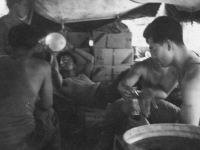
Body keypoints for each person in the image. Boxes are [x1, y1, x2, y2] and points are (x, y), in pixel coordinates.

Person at [95, 57, 181, 150]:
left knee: (122, 107)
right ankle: (105, 139)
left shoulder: (182, 67)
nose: (155, 55)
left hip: (177, 117)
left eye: (155, 48)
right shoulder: (144, 67)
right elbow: (126, 86)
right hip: (152, 107)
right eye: (152, 49)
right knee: (121, 107)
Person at [0, 23, 61, 149]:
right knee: (50, 113)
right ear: (37, 44)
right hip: (20, 139)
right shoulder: (42, 66)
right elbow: (46, 104)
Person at [141, 16, 200, 125]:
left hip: (193, 127)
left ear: (168, 45)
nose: (153, 56)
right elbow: (163, 90)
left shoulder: (193, 74)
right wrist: (148, 93)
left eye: (154, 49)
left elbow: (190, 131)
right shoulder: (177, 66)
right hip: (190, 120)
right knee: (133, 105)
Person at [50, 44, 122, 109]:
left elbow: (90, 59)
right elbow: (55, 71)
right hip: (98, 96)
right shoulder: (64, 84)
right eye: (63, 60)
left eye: (69, 59)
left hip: (104, 89)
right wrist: (54, 54)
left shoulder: (83, 75)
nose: (66, 61)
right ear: (59, 67)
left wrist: (72, 48)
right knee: (125, 76)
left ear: (74, 65)